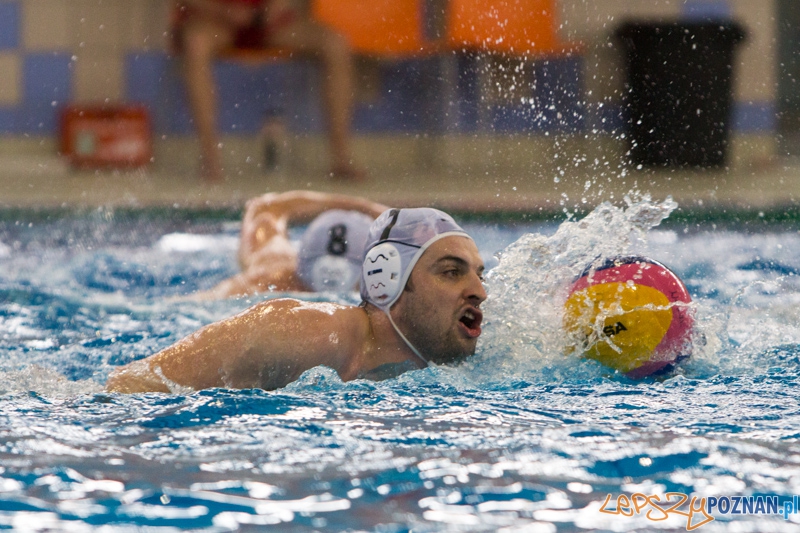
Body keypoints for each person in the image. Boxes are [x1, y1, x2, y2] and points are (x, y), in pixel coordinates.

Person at [105, 208, 487, 392]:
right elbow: (133, 387)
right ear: (387, 280)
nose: (479, 291)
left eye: (478, 273)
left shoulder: (477, 348)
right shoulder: (302, 330)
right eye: (451, 272)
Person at [172, 0, 363, 181]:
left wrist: (276, 7)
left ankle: (342, 159)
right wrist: (223, 12)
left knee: (336, 43)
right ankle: (210, 159)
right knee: (195, 43)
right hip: (214, 23)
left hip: (270, 25)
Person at [197, 190, 387, 299]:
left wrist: (361, 207)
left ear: (301, 256)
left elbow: (266, 207)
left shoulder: (269, 271)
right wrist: (379, 213)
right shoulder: (383, 298)